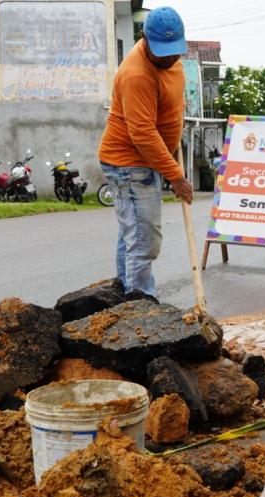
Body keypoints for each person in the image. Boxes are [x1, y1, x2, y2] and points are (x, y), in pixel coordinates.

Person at [97, 6, 193, 297]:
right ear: (145, 38)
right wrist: (176, 176)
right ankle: (140, 307)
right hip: (129, 163)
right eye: (163, 51)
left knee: (134, 234)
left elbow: (172, 98)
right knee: (144, 240)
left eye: (175, 50)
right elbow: (142, 134)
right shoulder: (135, 74)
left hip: (146, 159)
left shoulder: (171, 59)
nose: (170, 57)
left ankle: (125, 295)